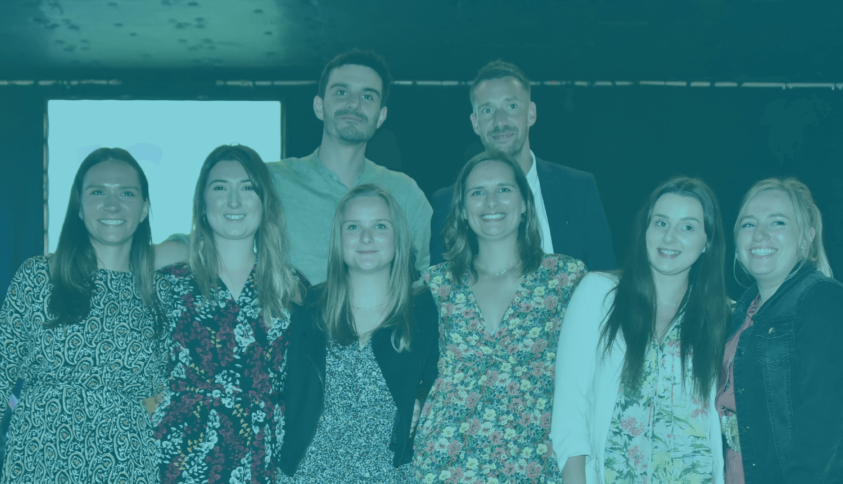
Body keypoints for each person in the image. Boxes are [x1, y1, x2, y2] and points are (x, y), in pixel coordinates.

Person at [156, 49, 433, 285]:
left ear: (381, 116)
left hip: (381, 332)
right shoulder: (272, 180)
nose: (354, 103)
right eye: (341, 92)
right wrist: (133, 256)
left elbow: (428, 277)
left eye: (368, 96)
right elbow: (208, 240)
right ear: (319, 106)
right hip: (288, 333)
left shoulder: (405, 192)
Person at [413, 150, 584, 483]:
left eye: (504, 189)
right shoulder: (435, 284)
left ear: (525, 203)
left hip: (534, 461)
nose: (491, 201)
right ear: (463, 209)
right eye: (478, 192)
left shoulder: (566, 278)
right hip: (446, 462)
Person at [0, 148, 167, 483]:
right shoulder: (37, 276)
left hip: (127, 463)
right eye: (98, 192)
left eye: (127, 193)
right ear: (79, 206)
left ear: (144, 208)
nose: (112, 204)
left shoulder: (163, 292)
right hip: (38, 459)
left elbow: (172, 391)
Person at [551, 177, 729, 484]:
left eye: (687, 227)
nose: (670, 237)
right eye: (661, 223)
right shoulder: (599, 293)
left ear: (707, 242)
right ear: (645, 230)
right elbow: (570, 410)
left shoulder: (723, 315)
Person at [152, 145, 299, 483]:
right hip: (179, 460)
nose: (234, 201)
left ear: (265, 201)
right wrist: (162, 413)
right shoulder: (169, 284)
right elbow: (137, 372)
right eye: (220, 188)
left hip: (262, 460)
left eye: (247, 188)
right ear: (202, 203)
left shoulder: (293, 289)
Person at [279, 184, 439, 483]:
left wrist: (419, 400)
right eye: (353, 226)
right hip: (308, 474)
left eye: (380, 226)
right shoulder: (307, 310)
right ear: (338, 239)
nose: (366, 237)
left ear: (398, 237)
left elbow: (445, 380)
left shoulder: (425, 312)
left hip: (389, 475)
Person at [429, 60, 615, 271]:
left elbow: (604, 277)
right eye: (488, 110)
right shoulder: (448, 201)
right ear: (475, 123)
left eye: (511, 106)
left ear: (531, 113)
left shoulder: (578, 189)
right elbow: (440, 286)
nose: (500, 121)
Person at [716, 178, 843, 483]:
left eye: (778, 222)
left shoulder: (822, 300)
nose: (760, 234)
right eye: (748, 224)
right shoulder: (738, 313)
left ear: (807, 237)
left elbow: (823, 431)